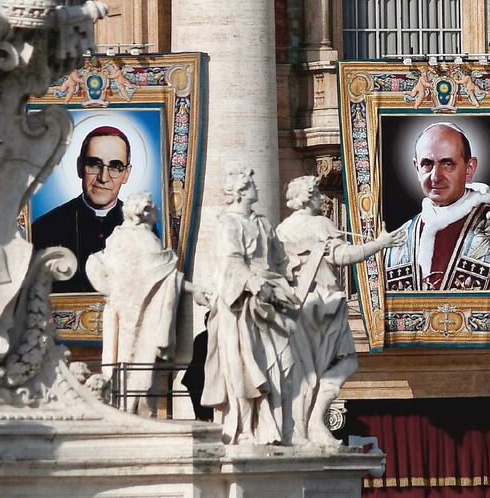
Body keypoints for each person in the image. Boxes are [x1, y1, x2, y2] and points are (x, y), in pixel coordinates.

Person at [276, 176, 405, 446]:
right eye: (317, 193)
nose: (322, 198)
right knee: (340, 363)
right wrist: (379, 244)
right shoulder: (319, 224)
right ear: (307, 196)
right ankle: (311, 424)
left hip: (302, 306)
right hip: (322, 302)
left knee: (308, 370)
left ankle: (307, 426)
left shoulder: (282, 229)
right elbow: (342, 256)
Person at [200, 168, 300, 445]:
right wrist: (254, 283)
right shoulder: (228, 225)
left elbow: (280, 261)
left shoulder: (264, 223)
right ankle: (243, 430)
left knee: (285, 365)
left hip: (272, 302)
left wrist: (295, 277)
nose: (257, 188)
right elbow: (231, 263)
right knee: (242, 371)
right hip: (238, 307)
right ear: (242, 191)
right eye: (252, 185)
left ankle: (280, 429)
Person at [86, 192, 207, 416]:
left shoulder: (118, 237)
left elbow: (163, 277)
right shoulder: (143, 240)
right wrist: (194, 289)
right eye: (154, 209)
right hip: (141, 316)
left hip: (126, 313)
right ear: (145, 212)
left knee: (127, 368)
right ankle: (134, 411)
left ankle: (128, 409)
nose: (157, 214)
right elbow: (164, 277)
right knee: (139, 368)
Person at [383, 122, 490, 291]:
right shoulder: (396, 243)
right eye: (427, 164)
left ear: (469, 169)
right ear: (416, 168)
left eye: (447, 163)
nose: (435, 177)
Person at [31, 125, 132, 293]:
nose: (103, 178)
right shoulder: (44, 229)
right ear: (79, 167)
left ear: (126, 174)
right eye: (94, 164)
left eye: (115, 167)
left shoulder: (142, 228)